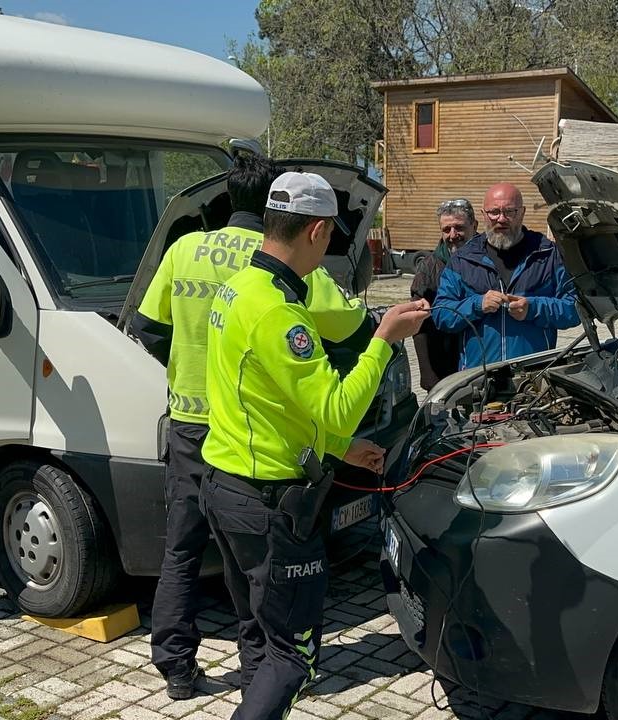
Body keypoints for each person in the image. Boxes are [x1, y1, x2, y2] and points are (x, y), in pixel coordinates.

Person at [132, 152, 370, 701]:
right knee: (253, 573)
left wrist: (187, 367)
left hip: (191, 426)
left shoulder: (184, 248)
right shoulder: (279, 270)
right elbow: (351, 330)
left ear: (225, 199)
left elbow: (146, 327)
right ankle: (258, 671)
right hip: (248, 439)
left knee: (181, 551)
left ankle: (175, 666)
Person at [200, 171, 429, 720]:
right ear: (319, 231)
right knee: (292, 656)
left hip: (225, 486)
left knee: (258, 636)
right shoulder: (280, 311)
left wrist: (340, 448)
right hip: (269, 504)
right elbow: (335, 405)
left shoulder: (239, 287)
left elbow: (270, 400)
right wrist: (381, 341)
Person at [432, 182, 580, 369]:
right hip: (479, 378)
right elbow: (440, 314)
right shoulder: (462, 260)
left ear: (522, 213)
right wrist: (477, 304)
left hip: (534, 375)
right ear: (483, 214)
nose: (501, 219)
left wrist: (534, 308)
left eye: (510, 212)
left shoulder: (548, 254)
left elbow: (575, 308)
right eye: (494, 212)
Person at [410, 198, 477, 390]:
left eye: (459, 227)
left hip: (480, 358)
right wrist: (426, 372)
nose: (453, 235)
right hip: (445, 364)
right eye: (446, 229)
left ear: (474, 225)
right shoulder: (429, 267)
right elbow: (419, 323)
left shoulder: (490, 258)